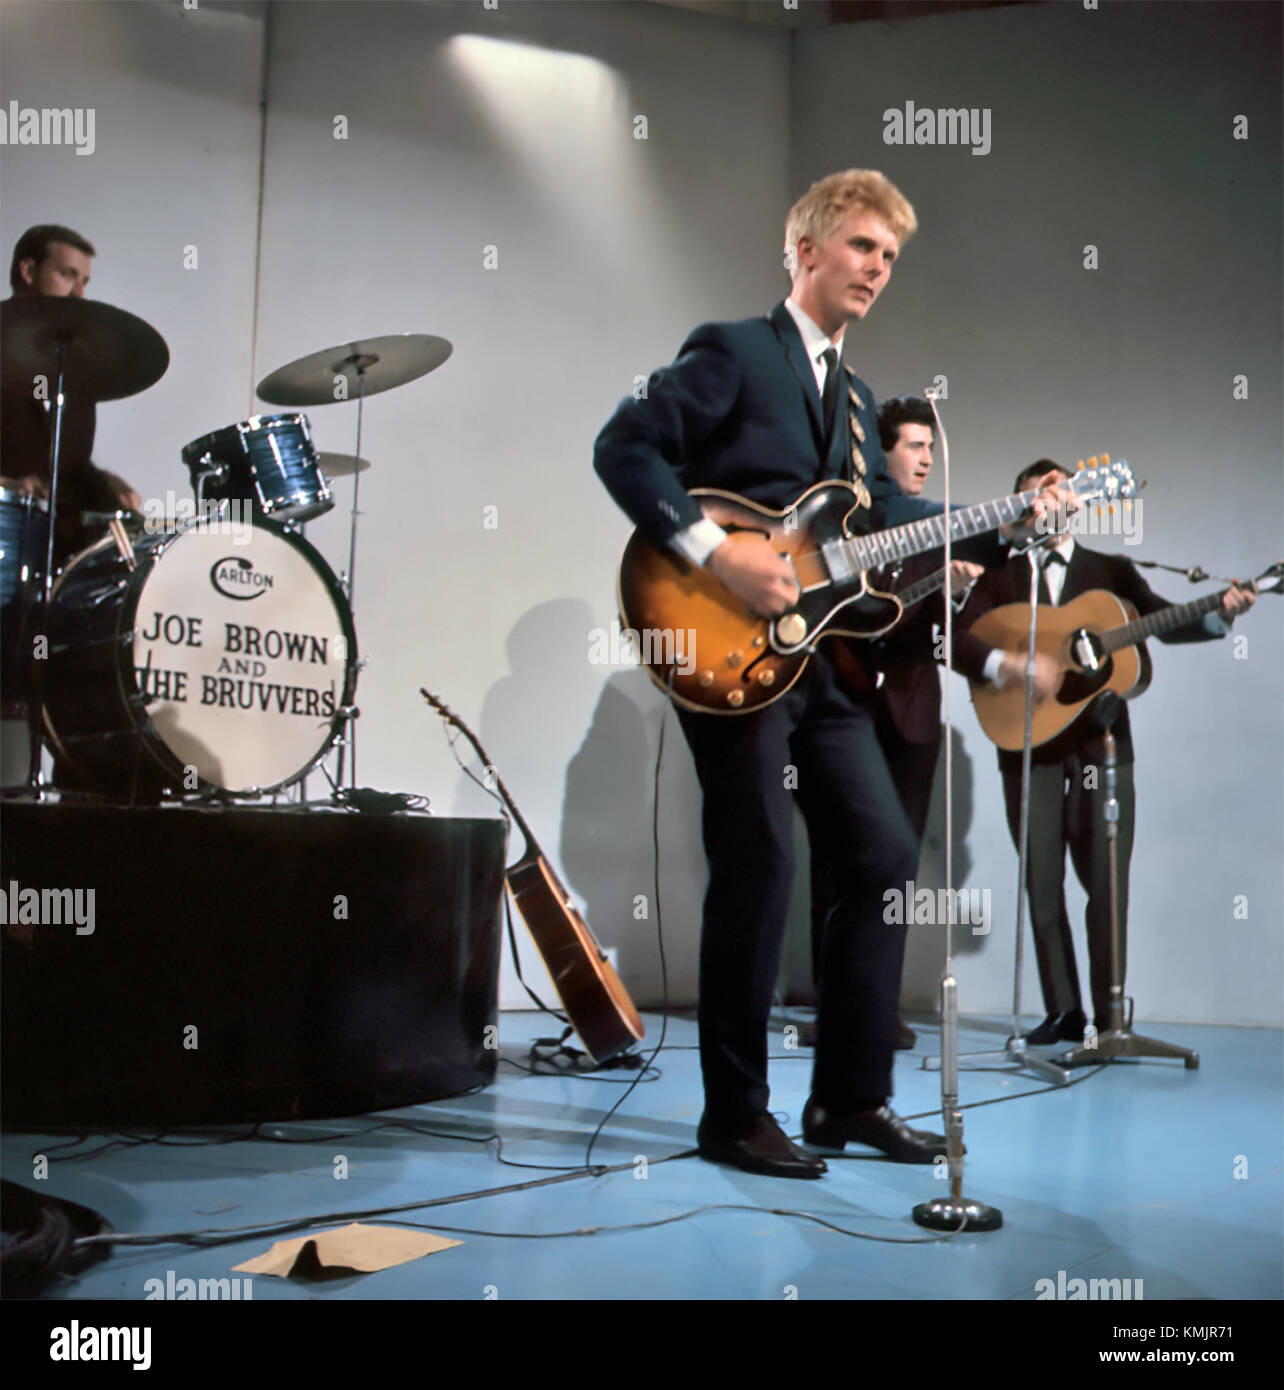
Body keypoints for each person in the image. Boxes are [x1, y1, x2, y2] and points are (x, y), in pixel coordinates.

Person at [594, 169, 1071, 1177]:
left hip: (826, 659)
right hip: (724, 641)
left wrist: (1003, 512)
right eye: (862, 247)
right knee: (760, 859)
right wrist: (717, 552)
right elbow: (624, 445)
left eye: (890, 258)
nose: (878, 270)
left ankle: (849, 1101)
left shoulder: (856, 402)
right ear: (805, 249)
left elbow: (878, 520)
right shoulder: (733, 351)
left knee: (883, 854)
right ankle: (732, 1115)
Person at [952, 461, 1256, 1043]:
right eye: (1032, 496)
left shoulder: (1110, 570)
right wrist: (1010, 665)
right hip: (1026, 745)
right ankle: (1064, 1013)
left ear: (1077, 499)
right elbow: (959, 642)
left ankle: (1110, 1017)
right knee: (1042, 881)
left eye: (1057, 489)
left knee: (1105, 878)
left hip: (1101, 744)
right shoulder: (997, 576)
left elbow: (1165, 622)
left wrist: (1221, 613)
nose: (1046, 502)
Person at [802, 395, 984, 1052]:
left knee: (895, 870)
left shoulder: (936, 538)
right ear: (879, 456)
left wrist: (953, 593)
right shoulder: (842, 527)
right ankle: (833, 1010)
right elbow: (821, 618)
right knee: (833, 864)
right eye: (914, 447)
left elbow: (949, 639)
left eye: (931, 450)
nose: (926, 460)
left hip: (911, 722)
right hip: (841, 713)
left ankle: (874, 1009)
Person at [1, 224, 141, 560]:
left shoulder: (74, 364)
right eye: (68, 274)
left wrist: (105, 482)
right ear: (29, 271)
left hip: (58, 542)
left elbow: (65, 463)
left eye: (85, 281)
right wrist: (5, 483)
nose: (79, 292)